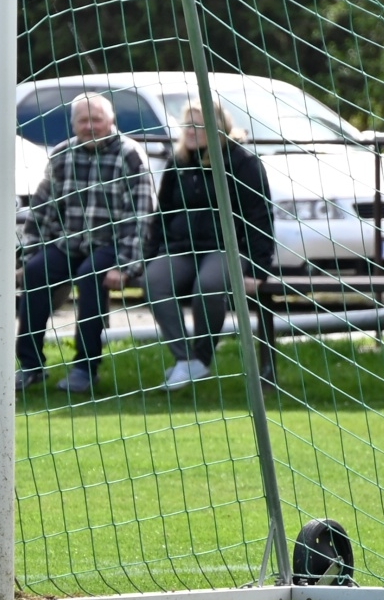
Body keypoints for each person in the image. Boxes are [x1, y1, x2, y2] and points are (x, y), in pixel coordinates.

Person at [14, 92, 155, 395]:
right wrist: (29, 257)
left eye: (96, 120)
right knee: (36, 273)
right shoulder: (62, 154)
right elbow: (42, 209)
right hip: (70, 242)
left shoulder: (130, 154)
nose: (90, 126)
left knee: (91, 275)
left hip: (111, 244)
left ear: (111, 120)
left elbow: (141, 216)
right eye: (83, 121)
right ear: (73, 124)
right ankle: (30, 365)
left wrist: (126, 265)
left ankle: (85, 367)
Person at [136, 101, 275, 390]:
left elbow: (260, 217)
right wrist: (148, 257)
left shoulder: (243, 162)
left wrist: (258, 270)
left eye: (198, 125)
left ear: (218, 128)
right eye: (187, 125)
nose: (191, 131)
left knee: (208, 286)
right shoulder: (178, 162)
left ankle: (202, 356)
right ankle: (186, 360)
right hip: (183, 247)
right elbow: (162, 214)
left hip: (229, 248)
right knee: (154, 281)